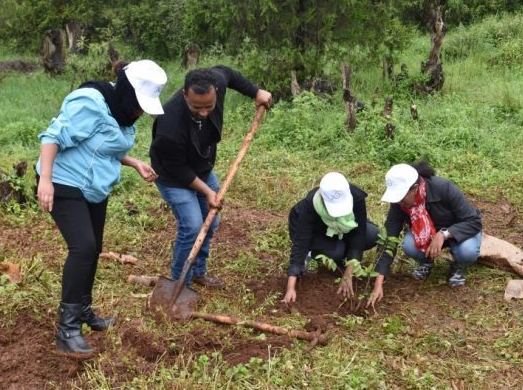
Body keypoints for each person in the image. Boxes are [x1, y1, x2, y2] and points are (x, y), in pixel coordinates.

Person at [36, 60, 167, 355]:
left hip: (94, 187)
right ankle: (67, 330)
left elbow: (99, 144)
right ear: (127, 92)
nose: (139, 113)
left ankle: (83, 311)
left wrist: (133, 162)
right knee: (82, 247)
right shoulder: (91, 102)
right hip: (63, 180)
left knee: (93, 248)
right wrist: (45, 179)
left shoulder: (120, 110)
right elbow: (52, 137)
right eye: (138, 105)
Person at [150, 66, 272, 288]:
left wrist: (256, 92)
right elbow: (177, 168)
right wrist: (207, 191)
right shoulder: (170, 124)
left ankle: (198, 271)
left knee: (211, 219)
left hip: (201, 167)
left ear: (215, 91)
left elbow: (230, 73)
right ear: (185, 94)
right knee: (193, 225)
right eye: (196, 107)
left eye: (209, 106)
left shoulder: (216, 81)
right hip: (172, 175)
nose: (204, 112)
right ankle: (179, 284)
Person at [367, 161, 483, 309]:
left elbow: (474, 221)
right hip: (427, 235)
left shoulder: (444, 188)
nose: (399, 202)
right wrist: (378, 282)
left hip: (459, 232)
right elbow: (389, 238)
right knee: (409, 245)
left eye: (402, 197)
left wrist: (443, 235)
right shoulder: (399, 203)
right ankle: (426, 261)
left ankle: (459, 265)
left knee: (467, 251)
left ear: (414, 189)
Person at [282, 172, 379, 303]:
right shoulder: (312, 203)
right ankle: (312, 253)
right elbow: (301, 242)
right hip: (316, 229)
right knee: (335, 252)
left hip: (340, 228)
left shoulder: (356, 198)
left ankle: (342, 255)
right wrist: (290, 287)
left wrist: (348, 274)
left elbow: (359, 234)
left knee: (372, 234)